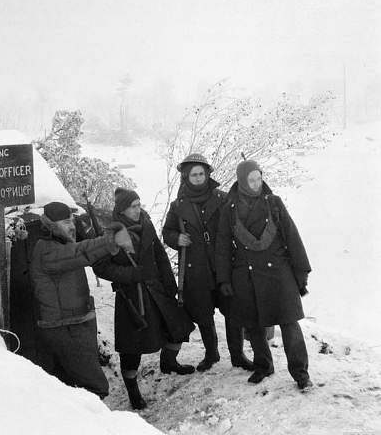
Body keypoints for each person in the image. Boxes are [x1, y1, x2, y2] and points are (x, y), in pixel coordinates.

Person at [93, 188, 195, 410]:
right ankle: (132, 391)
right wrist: (130, 275)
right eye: (133, 206)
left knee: (178, 326)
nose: (138, 209)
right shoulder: (111, 234)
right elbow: (100, 266)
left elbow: (159, 254)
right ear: (122, 210)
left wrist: (170, 284)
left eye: (139, 204)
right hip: (132, 296)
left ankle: (169, 363)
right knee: (133, 346)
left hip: (157, 290)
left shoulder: (147, 224)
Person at [215, 159, 313, 390]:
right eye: (251, 179)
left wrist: (301, 272)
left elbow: (292, 237)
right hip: (245, 274)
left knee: (289, 324)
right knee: (254, 325)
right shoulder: (229, 209)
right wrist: (224, 279)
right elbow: (222, 247)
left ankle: (301, 374)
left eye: (259, 178)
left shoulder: (274, 203)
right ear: (241, 181)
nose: (257, 183)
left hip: (279, 273)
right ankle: (264, 365)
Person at [30, 201, 132, 399]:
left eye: (71, 221)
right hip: (66, 327)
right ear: (50, 226)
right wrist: (109, 240)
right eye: (64, 222)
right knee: (96, 387)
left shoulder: (61, 244)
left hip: (74, 323)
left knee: (66, 385)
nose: (71, 226)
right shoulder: (47, 251)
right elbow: (81, 252)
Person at [162, 153, 253, 372]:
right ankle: (211, 354)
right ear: (186, 176)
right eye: (193, 174)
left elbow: (239, 226)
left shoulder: (222, 199)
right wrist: (177, 239)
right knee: (203, 314)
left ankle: (238, 355)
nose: (198, 177)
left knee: (233, 312)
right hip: (195, 269)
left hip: (224, 267)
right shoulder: (178, 205)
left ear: (208, 174)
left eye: (201, 173)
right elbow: (167, 232)